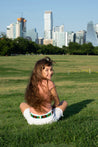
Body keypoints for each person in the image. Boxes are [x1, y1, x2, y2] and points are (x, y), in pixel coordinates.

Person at [20, 56, 68, 125]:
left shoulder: (32, 83)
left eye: (51, 69)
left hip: (32, 120)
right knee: (64, 103)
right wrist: (53, 107)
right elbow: (57, 102)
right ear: (39, 71)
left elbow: (30, 102)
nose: (50, 72)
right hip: (48, 119)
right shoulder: (49, 83)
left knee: (22, 104)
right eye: (47, 70)